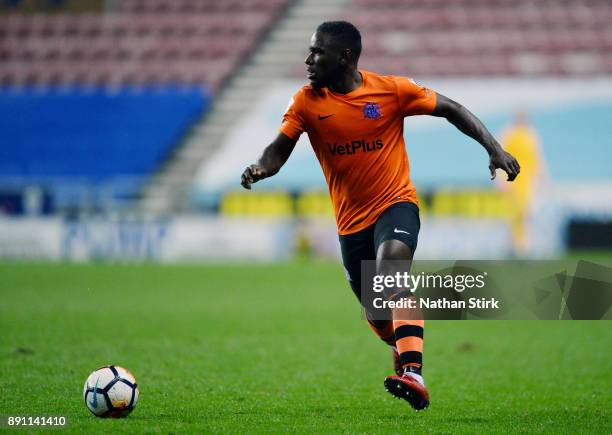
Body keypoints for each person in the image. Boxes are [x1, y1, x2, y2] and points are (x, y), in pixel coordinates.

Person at [240, 21, 520, 411]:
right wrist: (259, 167)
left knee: (391, 274)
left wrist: (494, 148)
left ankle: (414, 374)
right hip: (350, 224)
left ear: (345, 57)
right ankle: (399, 343)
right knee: (376, 313)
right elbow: (279, 149)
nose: (308, 60)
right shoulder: (305, 102)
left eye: (316, 52)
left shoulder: (390, 90)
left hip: (395, 204)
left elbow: (451, 109)